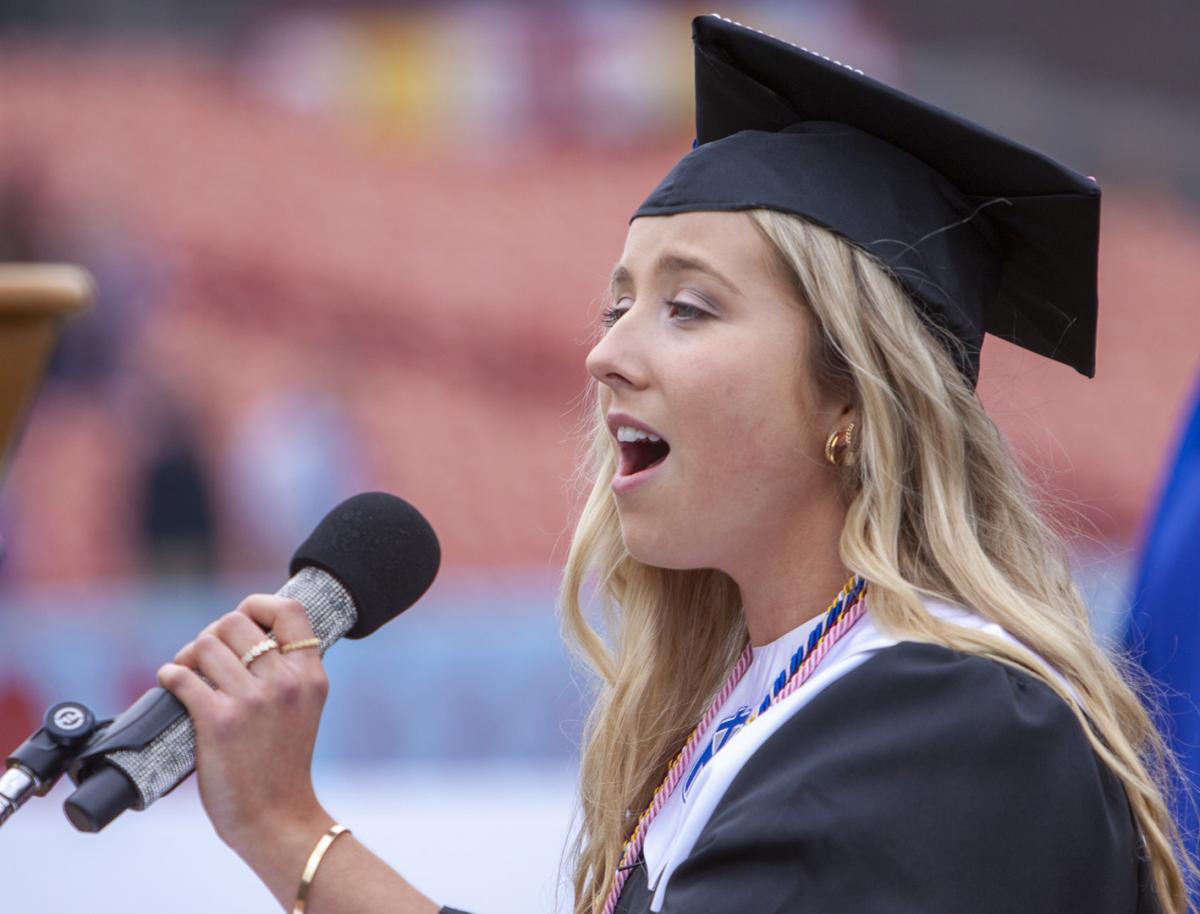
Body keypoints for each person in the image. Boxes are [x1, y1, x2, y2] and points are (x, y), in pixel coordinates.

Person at [156, 15, 1194, 914]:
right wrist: (273, 824)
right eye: (617, 305)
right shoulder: (779, 698)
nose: (605, 352)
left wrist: (291, 827)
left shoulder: (947, 718)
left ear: (851, 395)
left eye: (686, 306)